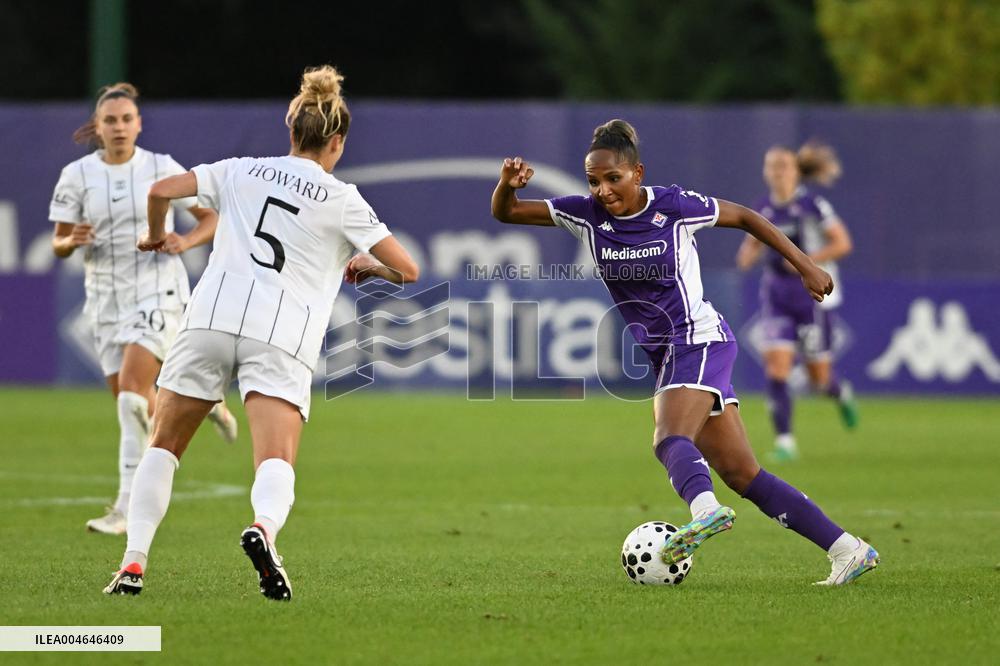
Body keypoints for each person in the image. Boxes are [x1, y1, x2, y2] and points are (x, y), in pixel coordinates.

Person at [490, 120, 878, 585]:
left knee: (668, 436)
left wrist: (805, 264)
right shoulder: (586, 215)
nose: (603, 190)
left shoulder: (673, 206)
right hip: (667, 355)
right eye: (593, 181)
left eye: (613, 178)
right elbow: (508, 213)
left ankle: (705, 510)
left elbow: (746, 217)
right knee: (743, 473)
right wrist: (506, 185)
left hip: (698, 339)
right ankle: (848, 549)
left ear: (637, 173)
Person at [102, 66, 419, 600]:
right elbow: (408, 269)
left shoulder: (240, 170)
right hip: (280, 333)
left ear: (290, 128)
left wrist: (156, 235)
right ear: (337, 142)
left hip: (209, 319)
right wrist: (370, 265)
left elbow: (160, 190)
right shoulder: (343, 198)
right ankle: (263, 530)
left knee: (164, 446)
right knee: (276, 457)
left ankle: (133, 563)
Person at [50, 82, 238, 536]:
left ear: (138, 124)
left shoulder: (161, 167)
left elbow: (211, 218)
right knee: (132, 406)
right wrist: (70, 241)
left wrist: (185, 241)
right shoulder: (76, 175)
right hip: (104, 301)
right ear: (97, 127)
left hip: (157, 291)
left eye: (126, 119)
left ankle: (124, 509)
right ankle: (207, 404)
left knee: (133, 397)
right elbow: (58, 242)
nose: (118, 127)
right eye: (110, 120)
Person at [736, 142, 858, 461]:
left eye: (783, 166)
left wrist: (806, 261)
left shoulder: (812, 205)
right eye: (771, 166)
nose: (777, 172)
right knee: (776, 368)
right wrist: (747, 254)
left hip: (812, 298)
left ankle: (840, 393)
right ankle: (785, 442)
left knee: (819, 380)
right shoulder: (763, 208)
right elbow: (752, 242)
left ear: (795, 171)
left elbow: (843, 243)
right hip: (776, 295)